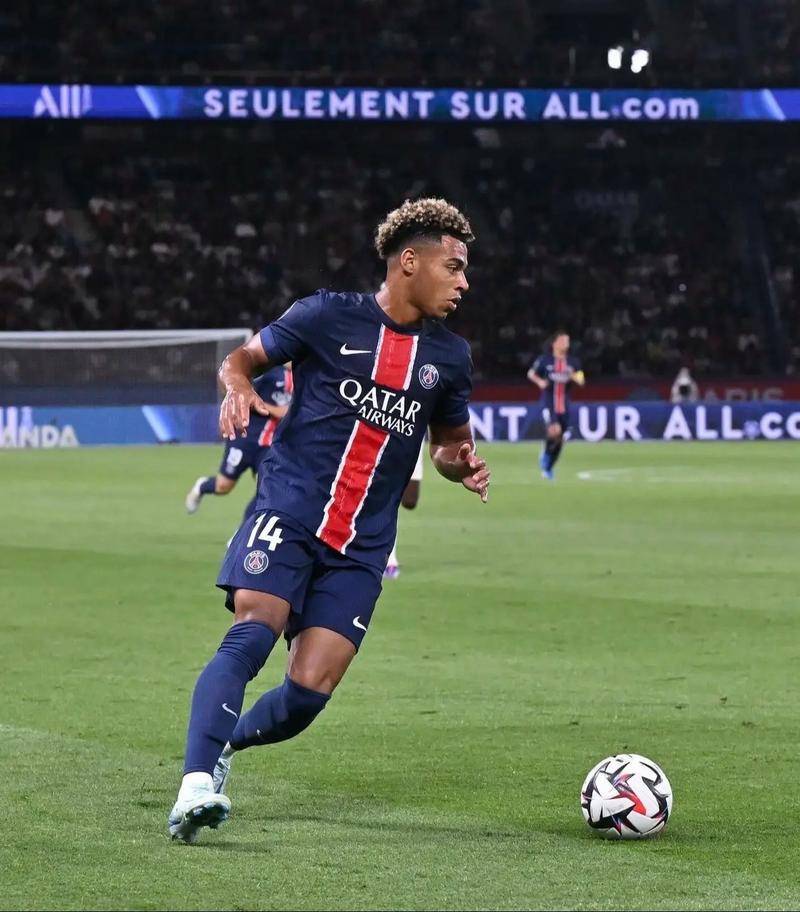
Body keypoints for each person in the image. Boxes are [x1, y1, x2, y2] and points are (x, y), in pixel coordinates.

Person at [168, 198, 491, 843]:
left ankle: (224, 744)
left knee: (308, 693)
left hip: (363, 545)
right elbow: (241, 359)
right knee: (254, 630)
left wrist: (459, 467)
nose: (463, 283)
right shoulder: (325, 315)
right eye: (453, 267)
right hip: (289, 510)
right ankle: (195, 785)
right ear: (409, 262)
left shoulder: (450, 357)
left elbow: (448, 446)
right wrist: (237, 386)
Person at [185, 365, 293, 522]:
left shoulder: (302, 375)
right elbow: (244, 395)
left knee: (268, 487)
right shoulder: (269, 371)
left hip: (268, 444)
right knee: (223, 486)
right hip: (244, 438)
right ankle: (202, 486)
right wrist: (272, 409)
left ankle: (244, 531)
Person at [527, 331, 585, 480]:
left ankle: (549, 466)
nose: (566, 344)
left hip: (564, 404)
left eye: (568, 341)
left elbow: (581, 380)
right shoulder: (545, 360)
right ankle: (546, 456)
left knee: (561, 438)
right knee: (555, 430)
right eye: (563, 340)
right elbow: (531, 373)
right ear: (554, 343)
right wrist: (540, 382)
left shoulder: (573, 362)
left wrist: (572, 375)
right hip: (549, 402)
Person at [384, 443, 424, 579]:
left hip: (412, 439)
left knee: (409, 501)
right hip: (382, 438)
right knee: (385, 493)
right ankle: (389, 559)